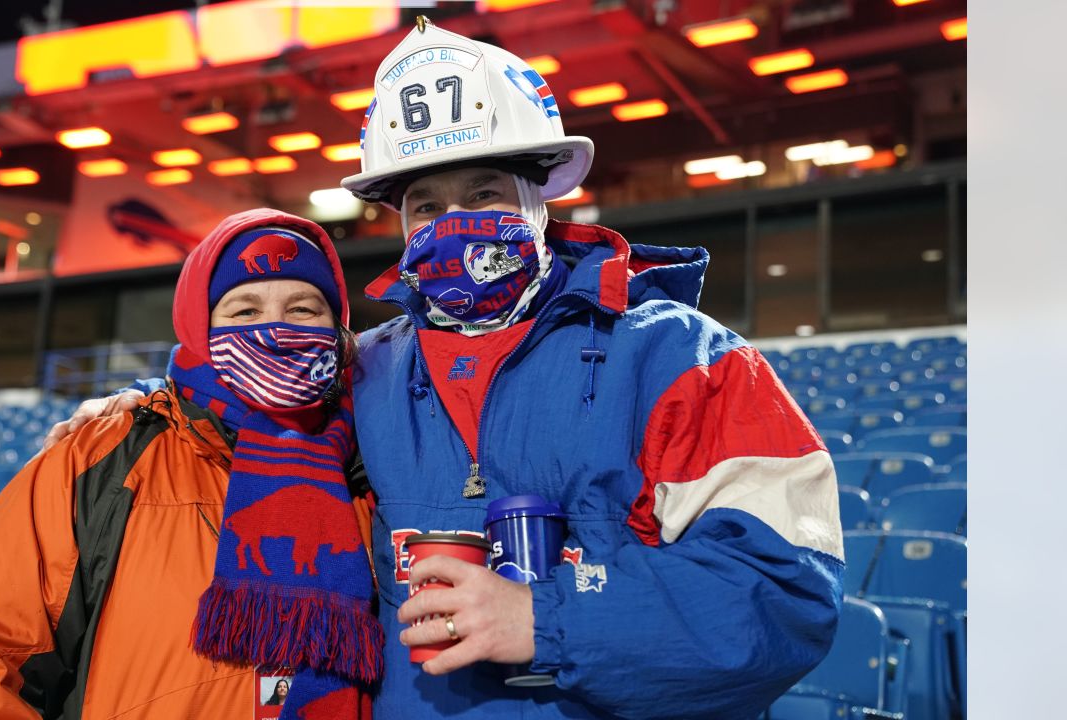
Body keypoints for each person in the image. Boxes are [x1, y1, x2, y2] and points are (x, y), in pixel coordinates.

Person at [46, 19, 843, 719]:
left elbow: (785, 596)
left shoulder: (690, 359)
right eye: (427, 205)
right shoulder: (362, 369)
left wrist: (546, 618)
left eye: (485, 191)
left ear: (541, 196)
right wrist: (137, 409)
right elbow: (248, 400)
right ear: (397, 220)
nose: (456, 224)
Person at [0, 209, 381, 719]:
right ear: (200, 329)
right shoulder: (100, 458)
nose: (275, 329)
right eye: (243, 311)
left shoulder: (376, 460)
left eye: (303, 309)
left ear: (338, 328)